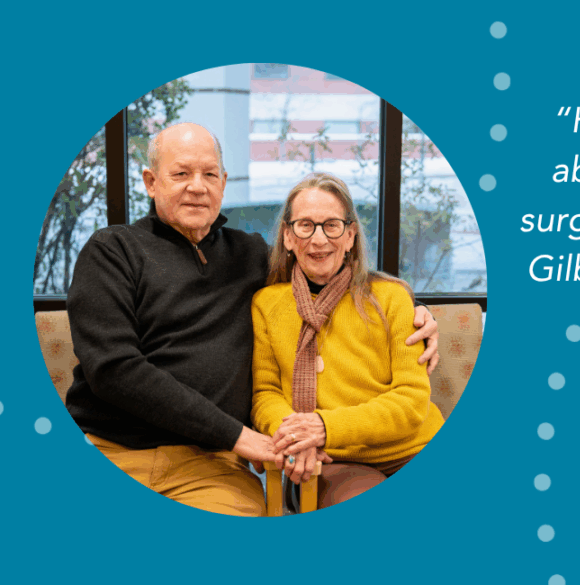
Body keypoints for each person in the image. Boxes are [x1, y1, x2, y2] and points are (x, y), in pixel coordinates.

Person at [65, 123, 440, 517]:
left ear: (223, 184)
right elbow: (114, 369)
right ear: (150, 181)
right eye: (181, 173)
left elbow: (329, 274)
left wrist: (420, 310)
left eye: (210, 174)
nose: (197, 186)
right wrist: (243, 436)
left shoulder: (250, 257)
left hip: (210, 466)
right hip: (112, 450)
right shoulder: (112, 251)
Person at [251, 172, 444, 508]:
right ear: (288, 236)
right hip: (333, 461)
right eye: (305, 225)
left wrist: (324, 426)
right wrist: (297, 435)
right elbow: (265, 394)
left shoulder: (392, 298)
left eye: (332, 225)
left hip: (416, 446)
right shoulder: (267, 304)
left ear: (351, 235)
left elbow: (412, 400)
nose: (319, 239)